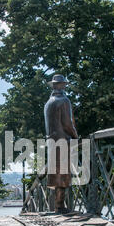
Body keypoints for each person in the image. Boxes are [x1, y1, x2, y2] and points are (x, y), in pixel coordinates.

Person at [44, 74, 78, 214]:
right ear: (59, 85)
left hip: (51, 142)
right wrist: (76, 136)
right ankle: (60, 206)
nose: (63, 86)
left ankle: (58, 205)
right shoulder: (64, 100)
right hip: (63, 140)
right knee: (63, 174)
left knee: (56, 173)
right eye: (62, 84)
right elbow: (67, 123)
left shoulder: (48, 103)